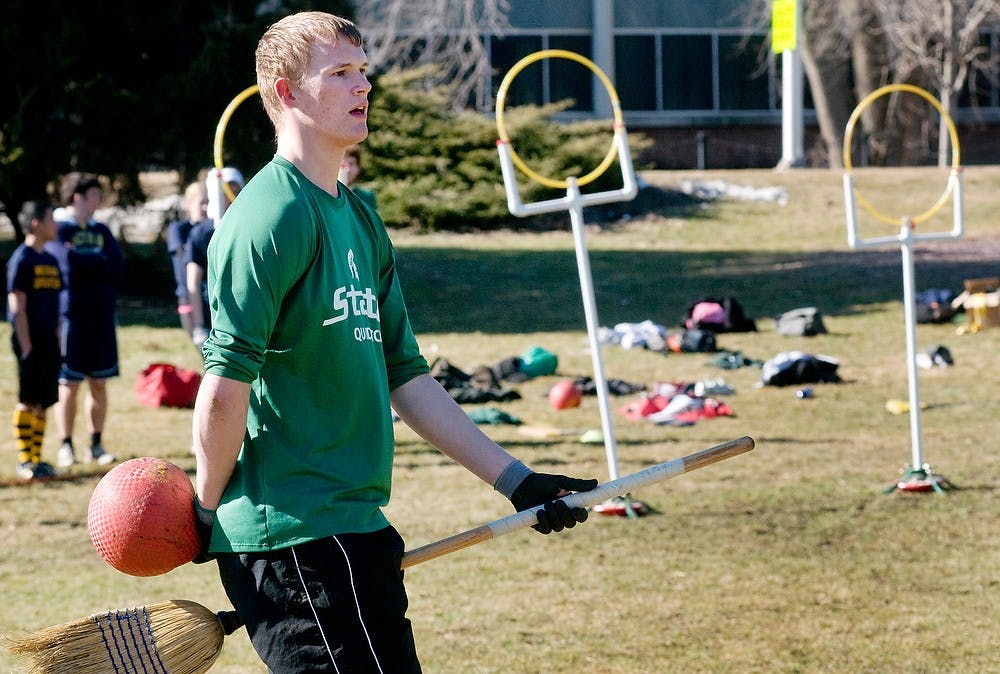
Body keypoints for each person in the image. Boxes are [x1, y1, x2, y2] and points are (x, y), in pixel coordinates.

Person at [191, 12, 597, 673]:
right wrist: (207, 512)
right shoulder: (267, 217)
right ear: (286, 92)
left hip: (356, 528)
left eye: (365, 72)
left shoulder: (359, 219)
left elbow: (406, 377)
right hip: (296, 537)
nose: (364, 87)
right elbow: (224, 389)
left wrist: (517, 482)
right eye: (341, 73)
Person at [46, 173, 123, 467]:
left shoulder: (101, 229)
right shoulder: (59, 229)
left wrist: (85, 259)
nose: (98, 201)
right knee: (69, 383)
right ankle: (65, 445)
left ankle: (96, 444)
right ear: (77, 196)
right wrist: (94, 261)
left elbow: (116, 265)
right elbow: (65, 267)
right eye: (93, 194)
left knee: (99, 383)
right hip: (71, 319)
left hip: (101, 318)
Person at [6, 201, 62, 480]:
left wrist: (57, 340)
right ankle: (24, 460)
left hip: (49, 341)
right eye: (51, 219)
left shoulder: (51, 261)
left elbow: (54, 306)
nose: (56, 225)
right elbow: (18, 305)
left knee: (43, 401)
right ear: (37, 224)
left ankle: (37, 460)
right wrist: (26, 345)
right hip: (29, 340)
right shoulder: (22, 259)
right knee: (27, 400)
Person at [186, 167, 243, 349]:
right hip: (212, 313)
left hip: (243, 314)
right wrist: (199, 325)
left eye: (235, 191)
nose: (229, 197)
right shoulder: (201, 234)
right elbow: (193, 281)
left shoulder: (248, 229)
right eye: (226, 190)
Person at [165, 181, 209, 338]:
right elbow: (183, 255)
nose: (205, 208)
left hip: (207, 297)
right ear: (190, 204)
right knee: (200, 342)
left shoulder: (211, 230)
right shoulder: (179, 229)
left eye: (208, 203)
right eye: (201, 203)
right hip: (187, 297)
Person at [339, 143, 377, 210]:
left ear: (358, 168)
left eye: (351, 164)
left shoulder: (367, 197)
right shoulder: (324, 195)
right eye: (342, 165)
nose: (347, 170)